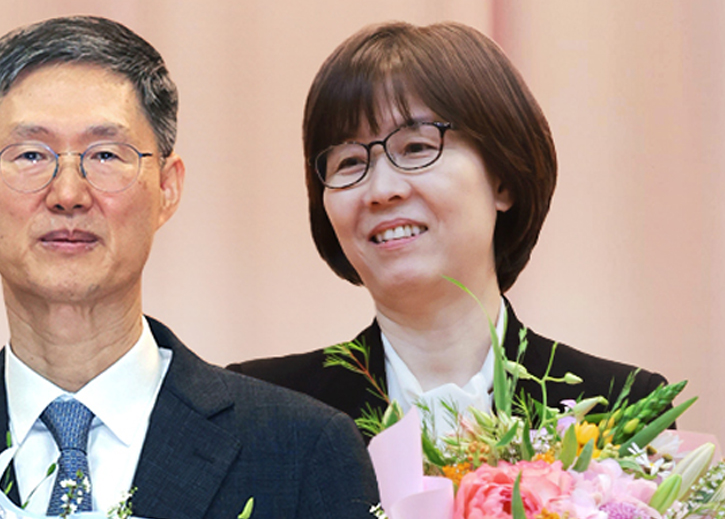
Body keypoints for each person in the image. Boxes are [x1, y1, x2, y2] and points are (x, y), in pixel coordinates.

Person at [0, 16, 379, 519]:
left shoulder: (301, 450)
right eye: (30, 155)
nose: (68, 194)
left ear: (168, 187)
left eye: (106, 155)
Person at [231, 22, 667, 435]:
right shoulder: (260, 411)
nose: (381, 190)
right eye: (349, 162)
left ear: (502, 180)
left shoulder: (620, 408)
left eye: (417, 147)